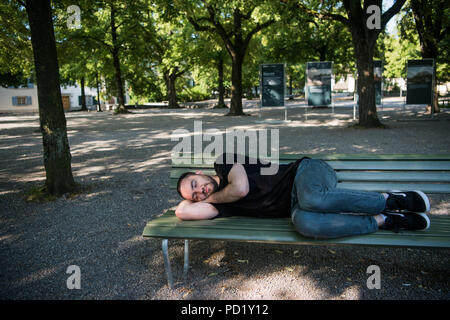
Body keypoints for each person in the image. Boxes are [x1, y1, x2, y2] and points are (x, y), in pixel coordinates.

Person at [175, 153, 431, 239]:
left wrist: (211, 198)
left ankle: (391, 199)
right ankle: (385, 219)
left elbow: (240, 188)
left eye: (196, 183)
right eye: (195, 195)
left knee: (312, 199)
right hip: (298, 206)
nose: (200, 192)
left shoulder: (223, 163)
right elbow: (181, 212)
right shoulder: (219, 206)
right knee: (304, 223)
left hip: (307, 172)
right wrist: (199, 202)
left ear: (201, 172)